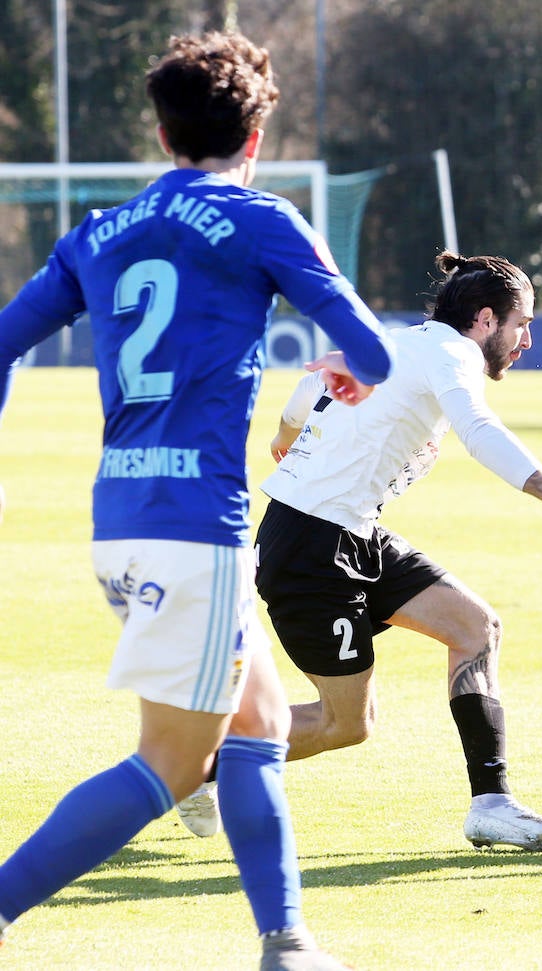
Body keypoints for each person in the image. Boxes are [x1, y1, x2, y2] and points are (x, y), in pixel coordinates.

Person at [0, 32, 394, 970]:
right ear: (255, 137)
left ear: (163, 131)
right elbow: (374, 357)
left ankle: (286, 941)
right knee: (174, 764)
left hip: (122, 522)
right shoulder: (265, 222)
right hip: (196, 530)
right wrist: (339, 363)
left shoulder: (95, 232)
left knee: (255, 729)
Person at [174, 251, 542, 852]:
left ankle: (491, 806)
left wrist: (285, 443)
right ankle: (198, 760)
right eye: (523, 324)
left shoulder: (392, 342)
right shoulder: (453, 354)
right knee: (347, 724)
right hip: (311, 547)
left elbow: (303, 396)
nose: (527, 340)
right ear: (486, 319)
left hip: (346, 531)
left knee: (476, 628)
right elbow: (480, 431)